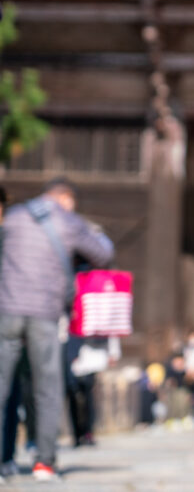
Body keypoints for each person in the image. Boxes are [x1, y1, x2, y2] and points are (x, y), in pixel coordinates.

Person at [0, 177, 114, 481]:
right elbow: (103, 254)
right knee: (47, 388)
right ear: (66, 199)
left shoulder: (14, 216)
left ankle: (3, 461)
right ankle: (44, 462)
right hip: (44, 313)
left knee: (3, 385)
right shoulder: (69, 220)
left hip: (7, 309)